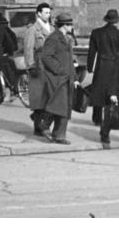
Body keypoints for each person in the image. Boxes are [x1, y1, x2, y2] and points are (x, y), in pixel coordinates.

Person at [35, 12, 78, 144]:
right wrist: (59, 69)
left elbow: (69, 60)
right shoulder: (54, 38)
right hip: (57, 78)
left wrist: (74, 77)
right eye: (71, 25)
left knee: (64, 107)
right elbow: (46, 57)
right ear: (65, 25)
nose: (72, 27)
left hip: (67, 78)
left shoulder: (66, 38)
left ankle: (56, 133)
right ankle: (47, 126)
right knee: (60, 106)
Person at [86, 9, 119, 126]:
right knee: (113, 90)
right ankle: (111, 117)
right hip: (115, 65)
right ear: (117, 21)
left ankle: (97, 118)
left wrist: (90, 68)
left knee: (98, 90)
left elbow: (92, 52)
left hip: (101, 65)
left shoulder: (96, 33)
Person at [25, 2, 53, 134]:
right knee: (39, 96)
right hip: (39, 65)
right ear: (39, 14)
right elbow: (28, 48)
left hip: (50, 66)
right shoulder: (33, 29)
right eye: (46, 12)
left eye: (49, 12)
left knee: (50, 95)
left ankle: (42, 121)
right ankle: (38, 126)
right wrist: (30, 65)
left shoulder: (52, 28)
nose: (48, 15)